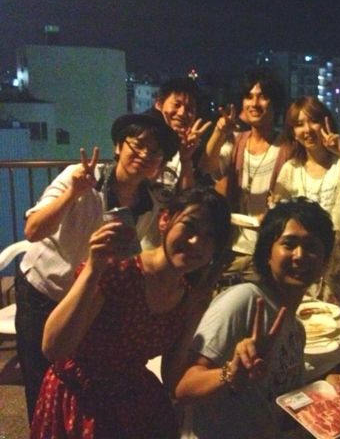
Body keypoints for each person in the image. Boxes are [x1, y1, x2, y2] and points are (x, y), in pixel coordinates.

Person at [15, 113, 179, 424]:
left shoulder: (152, 203)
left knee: (74, 386)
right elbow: (33, 230)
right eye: (138, 144)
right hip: (46, 291)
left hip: (87, 300)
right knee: (39, 381)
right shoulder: (80, 177)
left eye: (155, 151)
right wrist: (73, 193)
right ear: (118, 146)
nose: (145, 154)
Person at [30, 186, 231, 438]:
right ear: (164, 220)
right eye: (189, 227)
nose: (196, 242)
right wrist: (93, 268)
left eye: (210, 237)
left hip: (132, 404)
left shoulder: (189, 297)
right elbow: (53, 348)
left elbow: (172, 378)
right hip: (79, 401)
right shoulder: (119, 269)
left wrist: (230, 372)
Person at [174, 198, 335, 438]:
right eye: (289, 244)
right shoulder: (244, 300)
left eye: (311, 247)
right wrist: (230, 374)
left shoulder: (297, 330)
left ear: (325, 262)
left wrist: (327, 388)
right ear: (267, 253)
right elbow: (183, 387)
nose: (300, 255)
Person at [200, 68, 291, 282]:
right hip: (230, 247)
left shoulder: (287, 148)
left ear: (276, 104)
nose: (254, 103)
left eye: (263, 97)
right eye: (249, 97)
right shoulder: (236, 141)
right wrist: (219, 132)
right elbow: (207, 166)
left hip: (266, 253)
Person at [273, 96, 340, 312]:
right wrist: (275, 206)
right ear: (293, 132)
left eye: (313, 121)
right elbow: (279, 213)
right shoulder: (291, 169)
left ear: (326, 122)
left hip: (339, 262)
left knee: (336, 321)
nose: (307, 130)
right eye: (299, 124)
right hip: (301, 260)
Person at [146, 77, 212, 196]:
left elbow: (188, 198)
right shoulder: (143, 140)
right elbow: (138, 186)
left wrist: (186, 159)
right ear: (159, 104)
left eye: (190, 109)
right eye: (176, 105)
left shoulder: (194, 149)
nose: (182, 113)